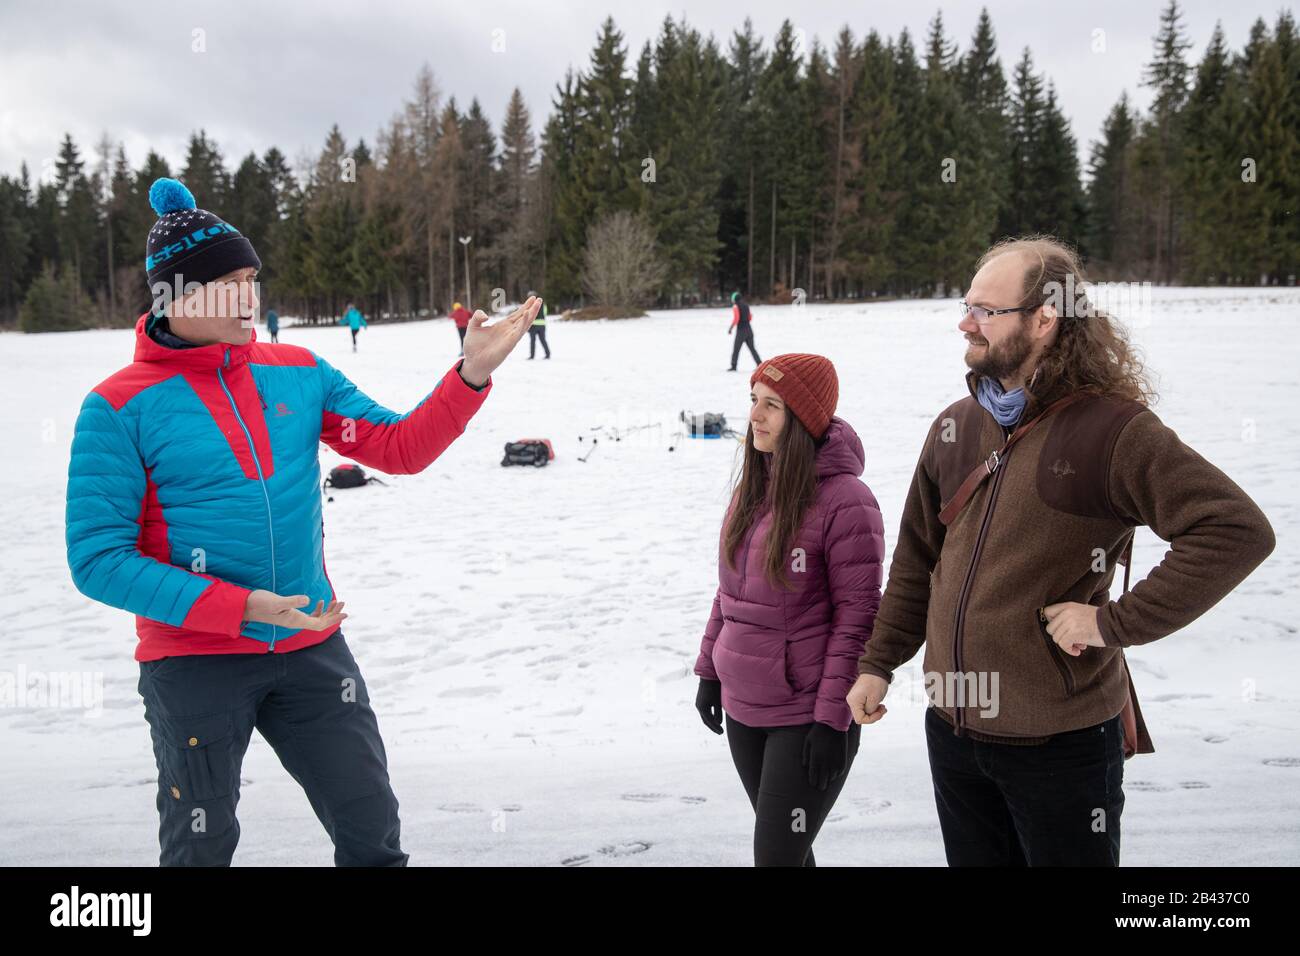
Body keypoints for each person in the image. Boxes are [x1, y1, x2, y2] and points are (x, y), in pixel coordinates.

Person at [65, 177, 540, 866]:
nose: (250, 299)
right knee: (201, 845)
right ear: (175, 294)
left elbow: (397, 448)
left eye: (252, 278)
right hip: (194, 663)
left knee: (370, 825)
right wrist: (239, 608)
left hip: (311, 646)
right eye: (229, 283)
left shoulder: (297, 372)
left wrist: (466, 377)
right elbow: (97, 559)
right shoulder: (115, 407)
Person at [846, 236, 1276, 867]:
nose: (966, 322)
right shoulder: (954, 426)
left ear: (1044, 319)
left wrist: (1111, 623)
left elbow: (1234, 529)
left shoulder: (1113, 432)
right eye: (968, 305)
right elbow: (917, 560)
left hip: (1059, 743)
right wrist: (879, 661)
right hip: (953, 732)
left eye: (986, 310)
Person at [694, 353, 885, 866]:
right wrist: (709, 672)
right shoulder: (753, 489)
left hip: (805, 717)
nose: (755, 416)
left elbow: (858, 619)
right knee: (790, 856)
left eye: (772, 405)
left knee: (776, 858)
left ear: (803, 417)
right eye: (753, 401)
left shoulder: (848, 501)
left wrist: (832, 721)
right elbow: (729, 594)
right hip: (744, 705)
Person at [727, 291, 760, 371]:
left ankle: (733, 366)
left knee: (736, 349)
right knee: (752, 349)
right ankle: (759, 364)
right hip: (749, 329)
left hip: (741, 331)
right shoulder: (746, 305)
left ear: (734, 299)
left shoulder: (735, 306)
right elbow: (750, 317)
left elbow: (736, 319)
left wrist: (731, 328)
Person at [526, 290, 550, 359]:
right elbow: (545, 313)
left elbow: (529, 314)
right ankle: (548, 354)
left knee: (532, 341)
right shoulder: (543, 303)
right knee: (543, 340)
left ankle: (532, 356)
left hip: (533, 324)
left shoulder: (531, 303)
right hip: (542, 324)